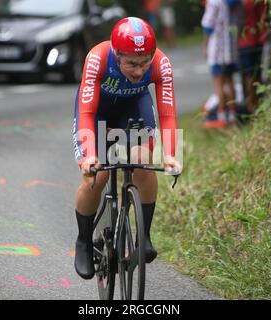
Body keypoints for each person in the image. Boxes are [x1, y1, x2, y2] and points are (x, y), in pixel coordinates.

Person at [72, 17, 182, 280]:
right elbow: (87, 110)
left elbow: (167, 113)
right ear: (115, 53)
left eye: (145, 62)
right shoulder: (98, 58)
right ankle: (84, 242)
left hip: (134, 108)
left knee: (143, 161)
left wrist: (170, 154)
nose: (139, 70)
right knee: (96, 178)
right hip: (97, 112)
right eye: (131, 63)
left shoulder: (161, 64)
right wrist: (89, 156)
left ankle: (143, 237)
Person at [201, 0, 240, 128]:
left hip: (217, 50)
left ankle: (222, 119)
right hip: (232, 49)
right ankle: (234, 117)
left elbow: (208, 25)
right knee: (230, 83)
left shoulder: (214, 2)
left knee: (219, 86)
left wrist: (205, 46)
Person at [237, 0, 268, 114]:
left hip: (246, 42)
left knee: (249, 75)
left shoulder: (244, 2)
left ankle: (251, 107)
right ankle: (258, 105)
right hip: (259, 39)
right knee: (257, 74)